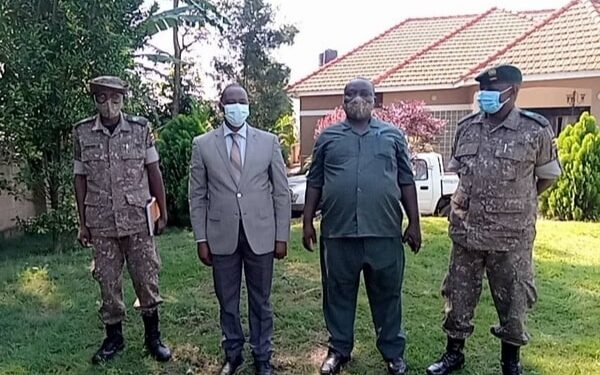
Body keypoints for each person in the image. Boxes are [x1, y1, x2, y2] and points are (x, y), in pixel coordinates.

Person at [426, 65, 562, 375]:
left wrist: (518, 200)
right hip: (467, 232)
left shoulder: (535, 130)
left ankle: (510, 362)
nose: (485, 95)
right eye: (483, 90)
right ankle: (454, 354)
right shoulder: (467, 127)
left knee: (513, 301)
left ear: (513, 92)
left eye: (494, 89)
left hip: (511, 236)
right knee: (458, 296)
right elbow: (460, 172)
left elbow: (547, 177)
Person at [303, 78, 422, 375]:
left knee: (387, 295)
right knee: (338, 293)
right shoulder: (327, 138)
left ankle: (393, 352)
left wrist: (415, 223)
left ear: (374, 99)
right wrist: (306, 222)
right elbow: (315, 181)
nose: (357, 98)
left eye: (364, 93)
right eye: (350, 94)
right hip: (339, 233)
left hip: (384, 232)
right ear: (342, 100)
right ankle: (339, 349)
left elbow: (406, 181)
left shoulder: (393, 136)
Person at [189, 83, 291, 375]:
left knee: (261, 299)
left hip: (261, 234)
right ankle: (233, 353)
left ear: (249, 106)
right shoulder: (203, 144)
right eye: (230, 102)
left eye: (242, 101)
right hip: (221, 236)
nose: (236, 107)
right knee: (227, 300)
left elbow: (281, 192)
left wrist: (281, 236)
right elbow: (196, 195)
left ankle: (262, 356)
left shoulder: (268, 142)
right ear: (221, 106)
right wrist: (201, 238)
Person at [73, 76, 171, 364]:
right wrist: (82, 222)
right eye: (103, 97)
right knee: (107, 281)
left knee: (146, 277)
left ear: (124, 99)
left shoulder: (141, 130)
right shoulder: (82, 133)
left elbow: (154, 171)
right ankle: (113, 337)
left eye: (116, 97)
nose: (110, 104)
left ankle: (153, 337)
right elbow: (79, 179)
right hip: (101, 221)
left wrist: (163, 212)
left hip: (138, 220)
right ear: (95, 100)